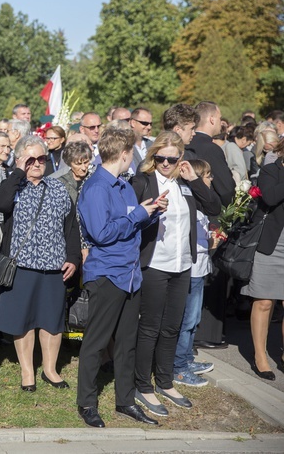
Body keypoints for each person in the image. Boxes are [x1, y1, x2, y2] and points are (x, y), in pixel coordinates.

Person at [76, 125, 163, 428]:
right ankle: (87, 402)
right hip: (107, 275)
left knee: (127, 342)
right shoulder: (97, 187)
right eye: (132, 153)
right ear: (124, 154)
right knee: (97, 342)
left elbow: (129, 226)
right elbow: (101, 234)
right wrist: (139, 214)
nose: (133, 157)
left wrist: (150, 212)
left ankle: (125, 400)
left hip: (130, 274)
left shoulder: (124, 185)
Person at [131, 132, 221, 415]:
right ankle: (143, 386)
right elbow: (130, 220)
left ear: (180, 158)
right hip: (155, 263)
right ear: (153, 156)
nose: (166, 163)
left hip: (183, 265)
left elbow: (214, 207)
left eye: (172, 158)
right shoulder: (143, 182)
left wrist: (194, 178)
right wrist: (151, 211)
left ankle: (166, 381)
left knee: (172, 327)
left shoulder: (186, 184)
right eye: (161, 158)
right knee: (150, 327)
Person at [0, 136, 80, 392]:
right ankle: (27, 371)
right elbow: (0, 203)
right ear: (20, 160)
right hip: (22, 267)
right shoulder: (14, 186)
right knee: (23, 320)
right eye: (31, 159)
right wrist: (19, 170)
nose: (37, 163)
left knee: (51, 321)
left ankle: (50, 370)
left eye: (41, 158)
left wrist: (73, 258)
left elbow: (72, 227)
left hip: (54, 267)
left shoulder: (58, 188)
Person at [186, 102, 236, 350]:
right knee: (211, 279)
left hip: (189, 219)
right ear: (212, 120)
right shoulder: (211, 149)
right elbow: (226, 189)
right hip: (211, 218)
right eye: (219, 116)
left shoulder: (188, 144)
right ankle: (207, 333)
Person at [241, 138, 284, 381]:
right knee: (264, 302)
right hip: (273, 243)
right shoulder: (271, 170)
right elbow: (270, 197)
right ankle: (260, 357)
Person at [173, 159, 217, 388]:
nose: (211, 180)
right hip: (190, 269)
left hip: (200, 268)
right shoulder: (189, 205)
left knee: (194, 319)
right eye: (207, 175)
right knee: (186, 319)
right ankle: (178, 365)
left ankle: (187, 358)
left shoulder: (202, 206)